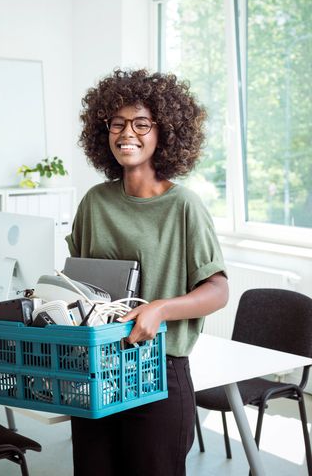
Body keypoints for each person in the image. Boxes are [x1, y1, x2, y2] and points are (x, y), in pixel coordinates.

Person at [66, 68, 229, 476]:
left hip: (159, 370)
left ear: (164, 132)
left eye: (142, 123)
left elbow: (218, 289)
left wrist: (160, 309)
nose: (127, 133)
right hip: (98, 366)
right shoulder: (94, 202)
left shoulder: (184, 207)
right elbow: (78, 281)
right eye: (117, 124)